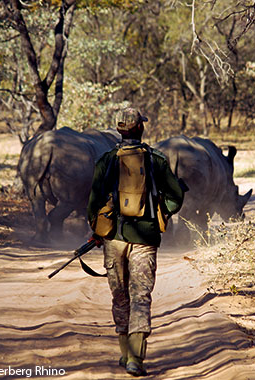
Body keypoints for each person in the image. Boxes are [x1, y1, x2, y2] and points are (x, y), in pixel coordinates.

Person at [87, 107, 185, 376]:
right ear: (140, 128)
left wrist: (99, 229)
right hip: (145, 240)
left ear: (119, 129)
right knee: (140, 295)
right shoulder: (156, 160)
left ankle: (124, 352)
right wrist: (160, 211)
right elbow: (176, 196)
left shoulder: (106, 160)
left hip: (113, 240)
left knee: (119, 295)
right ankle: (136, 359)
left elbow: (93, 204)